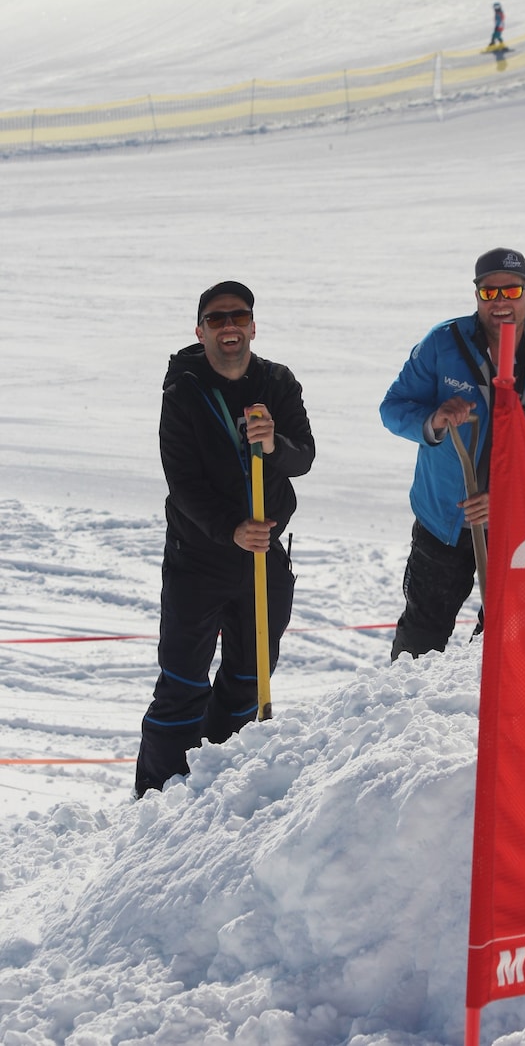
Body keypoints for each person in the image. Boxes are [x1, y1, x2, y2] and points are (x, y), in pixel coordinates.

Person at [135, 280, 315, 797]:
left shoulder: (277, 381)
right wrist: (230, 529)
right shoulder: (184, 390)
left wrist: (273, 445)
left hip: (263, 553)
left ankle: (220, 783)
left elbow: (302, 457)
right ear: (200, 330)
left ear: (253, 326)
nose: (229, 327)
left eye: (238, 317)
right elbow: (183, 482)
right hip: (200, 557)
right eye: (216, 319)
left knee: (250, 676)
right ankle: (156, 797)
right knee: (184, 683)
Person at [380, 248, 525, 661]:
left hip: (517, 528)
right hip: (443, 520)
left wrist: (506, 500)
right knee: (420, 635)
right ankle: (397, 716)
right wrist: (434, 419)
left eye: (511, 290)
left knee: (502, 643)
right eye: (489, 292)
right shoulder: (443, 343)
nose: (500, 301)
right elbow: (394, 408)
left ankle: (480, 720)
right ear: (476, 295)